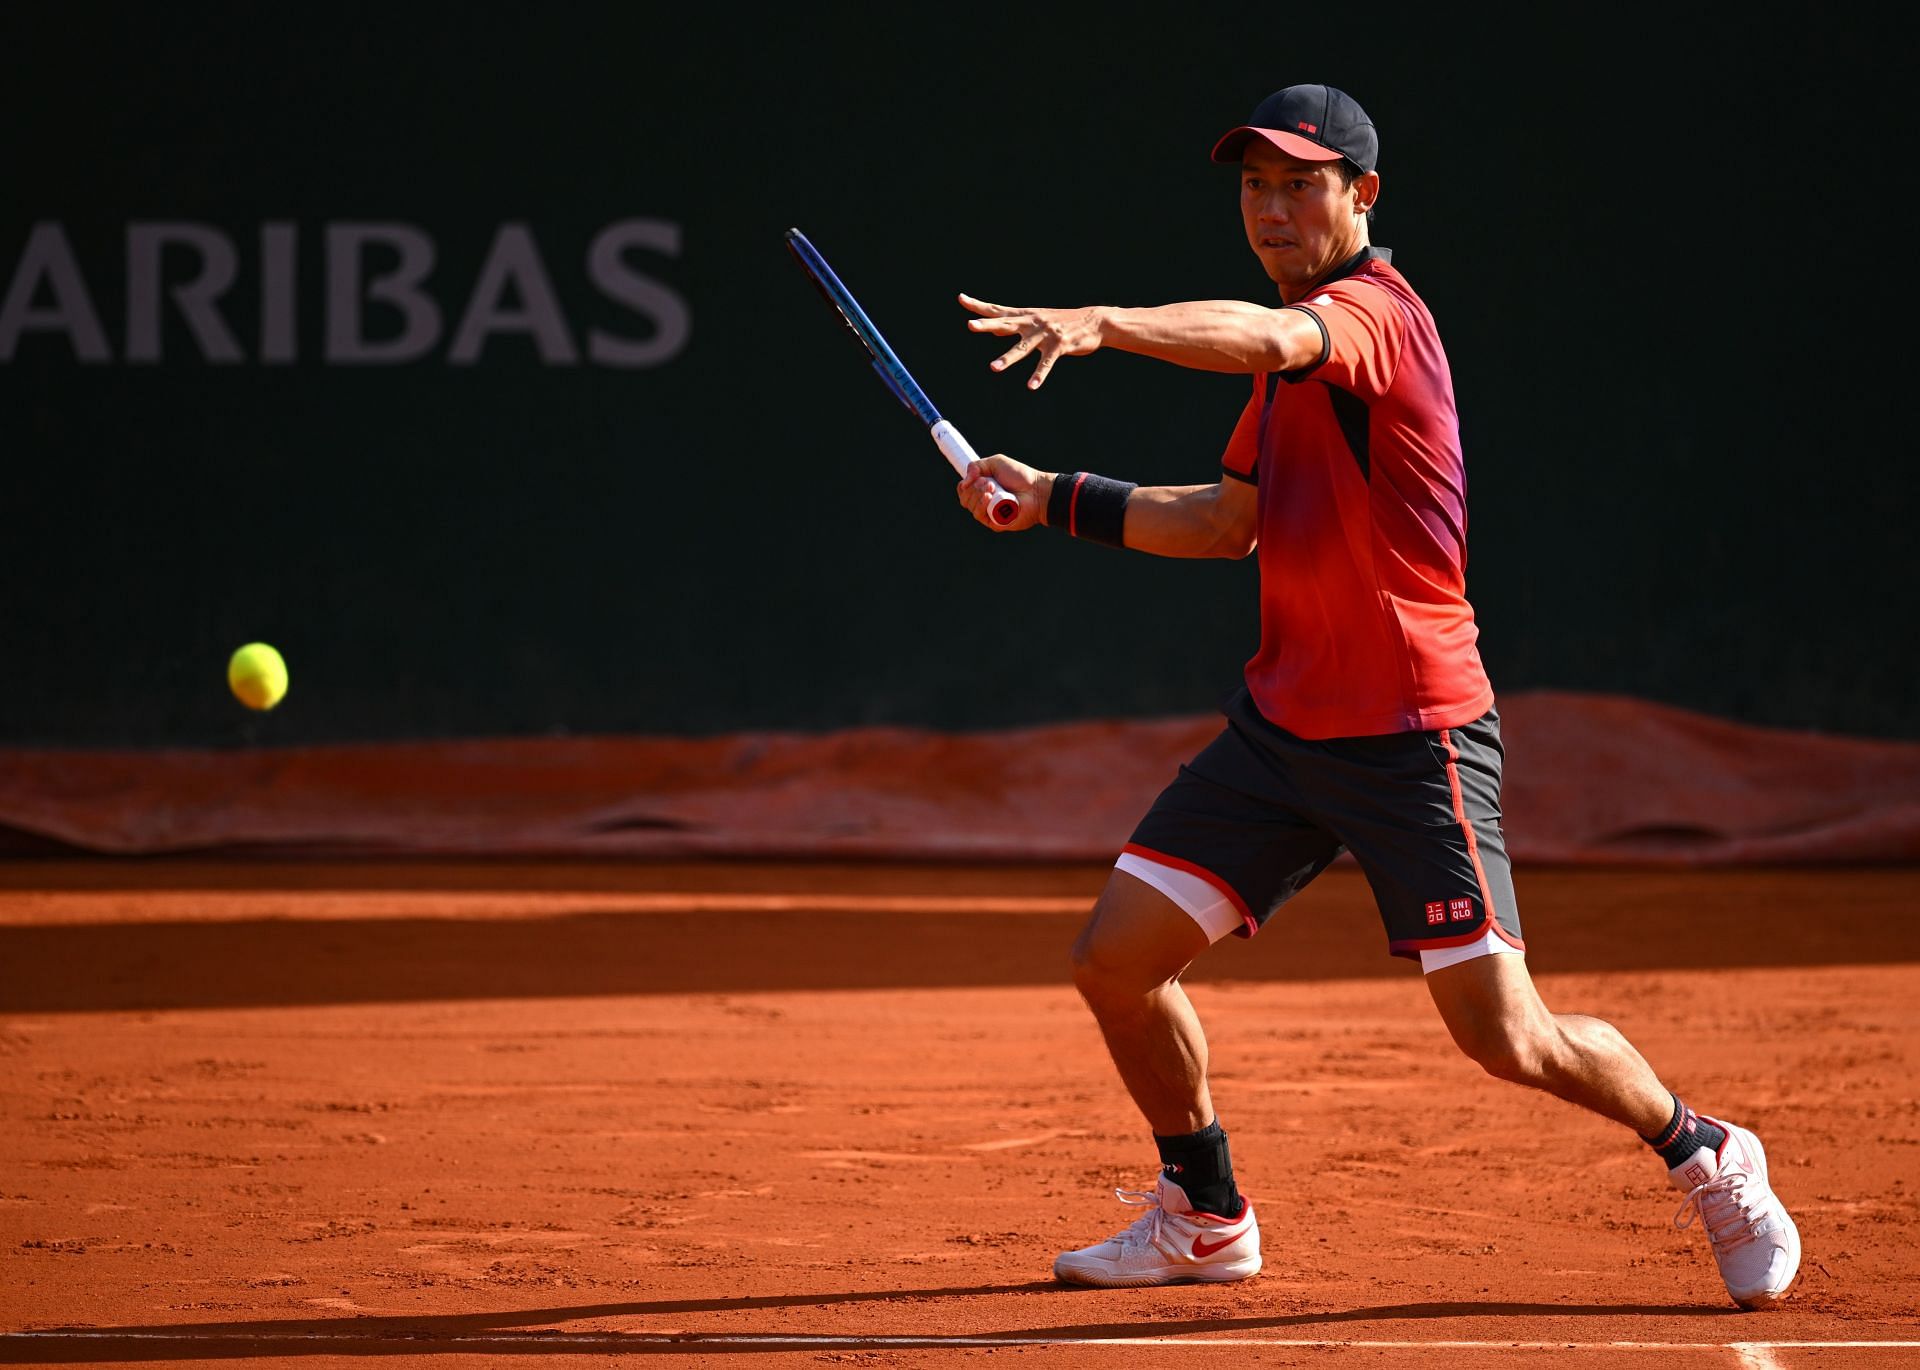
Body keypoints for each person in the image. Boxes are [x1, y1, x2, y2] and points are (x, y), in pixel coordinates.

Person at [953, 83, 1799, 1309]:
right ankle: (1204, 1212)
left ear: (1363, 195)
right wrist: (1051, 494)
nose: (1274, 207)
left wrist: (1103, 323)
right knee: (1116, 963)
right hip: (1285, 728)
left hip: (1415, 734)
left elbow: (1274, 337)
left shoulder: (1369, 319)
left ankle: (1706, 1149)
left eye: (1302, 182)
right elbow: (1229, 520)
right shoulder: (1291, 356)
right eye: (1255, 185)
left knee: (1508, 1036)